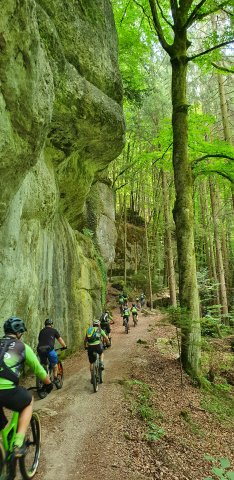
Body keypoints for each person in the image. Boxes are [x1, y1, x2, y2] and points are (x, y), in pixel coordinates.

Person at [0, 316, 53, 457]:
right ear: (20, 333)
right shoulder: (22, 346)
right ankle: (18, 442)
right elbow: (39, 370)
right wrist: (48, 384)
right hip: (7, 390)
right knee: (28, 401)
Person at [37, 319, 67, 388]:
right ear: (51, 324)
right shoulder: (54, 330)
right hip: (49, 349)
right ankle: (55, 378)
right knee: (55, 364)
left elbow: (40, 340)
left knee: (44, 364)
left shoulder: (41, 331)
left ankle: (44, 374)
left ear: (45, 325)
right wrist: (65, 346)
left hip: (40, 349)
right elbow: (60, 340)